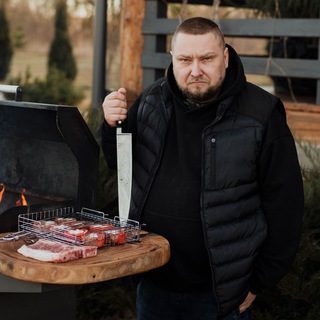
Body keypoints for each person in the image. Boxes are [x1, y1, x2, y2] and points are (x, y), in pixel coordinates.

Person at [101, 17, 304, 320]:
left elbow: (285, 205)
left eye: (206, 58)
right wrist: (109, 124)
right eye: (185, 59)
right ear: (173, 60)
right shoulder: (150, 102)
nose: (195, 70)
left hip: (221, 297)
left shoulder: (261, 115)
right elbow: (124, 171)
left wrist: (260, 281)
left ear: (224, 57)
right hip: (155, 286)